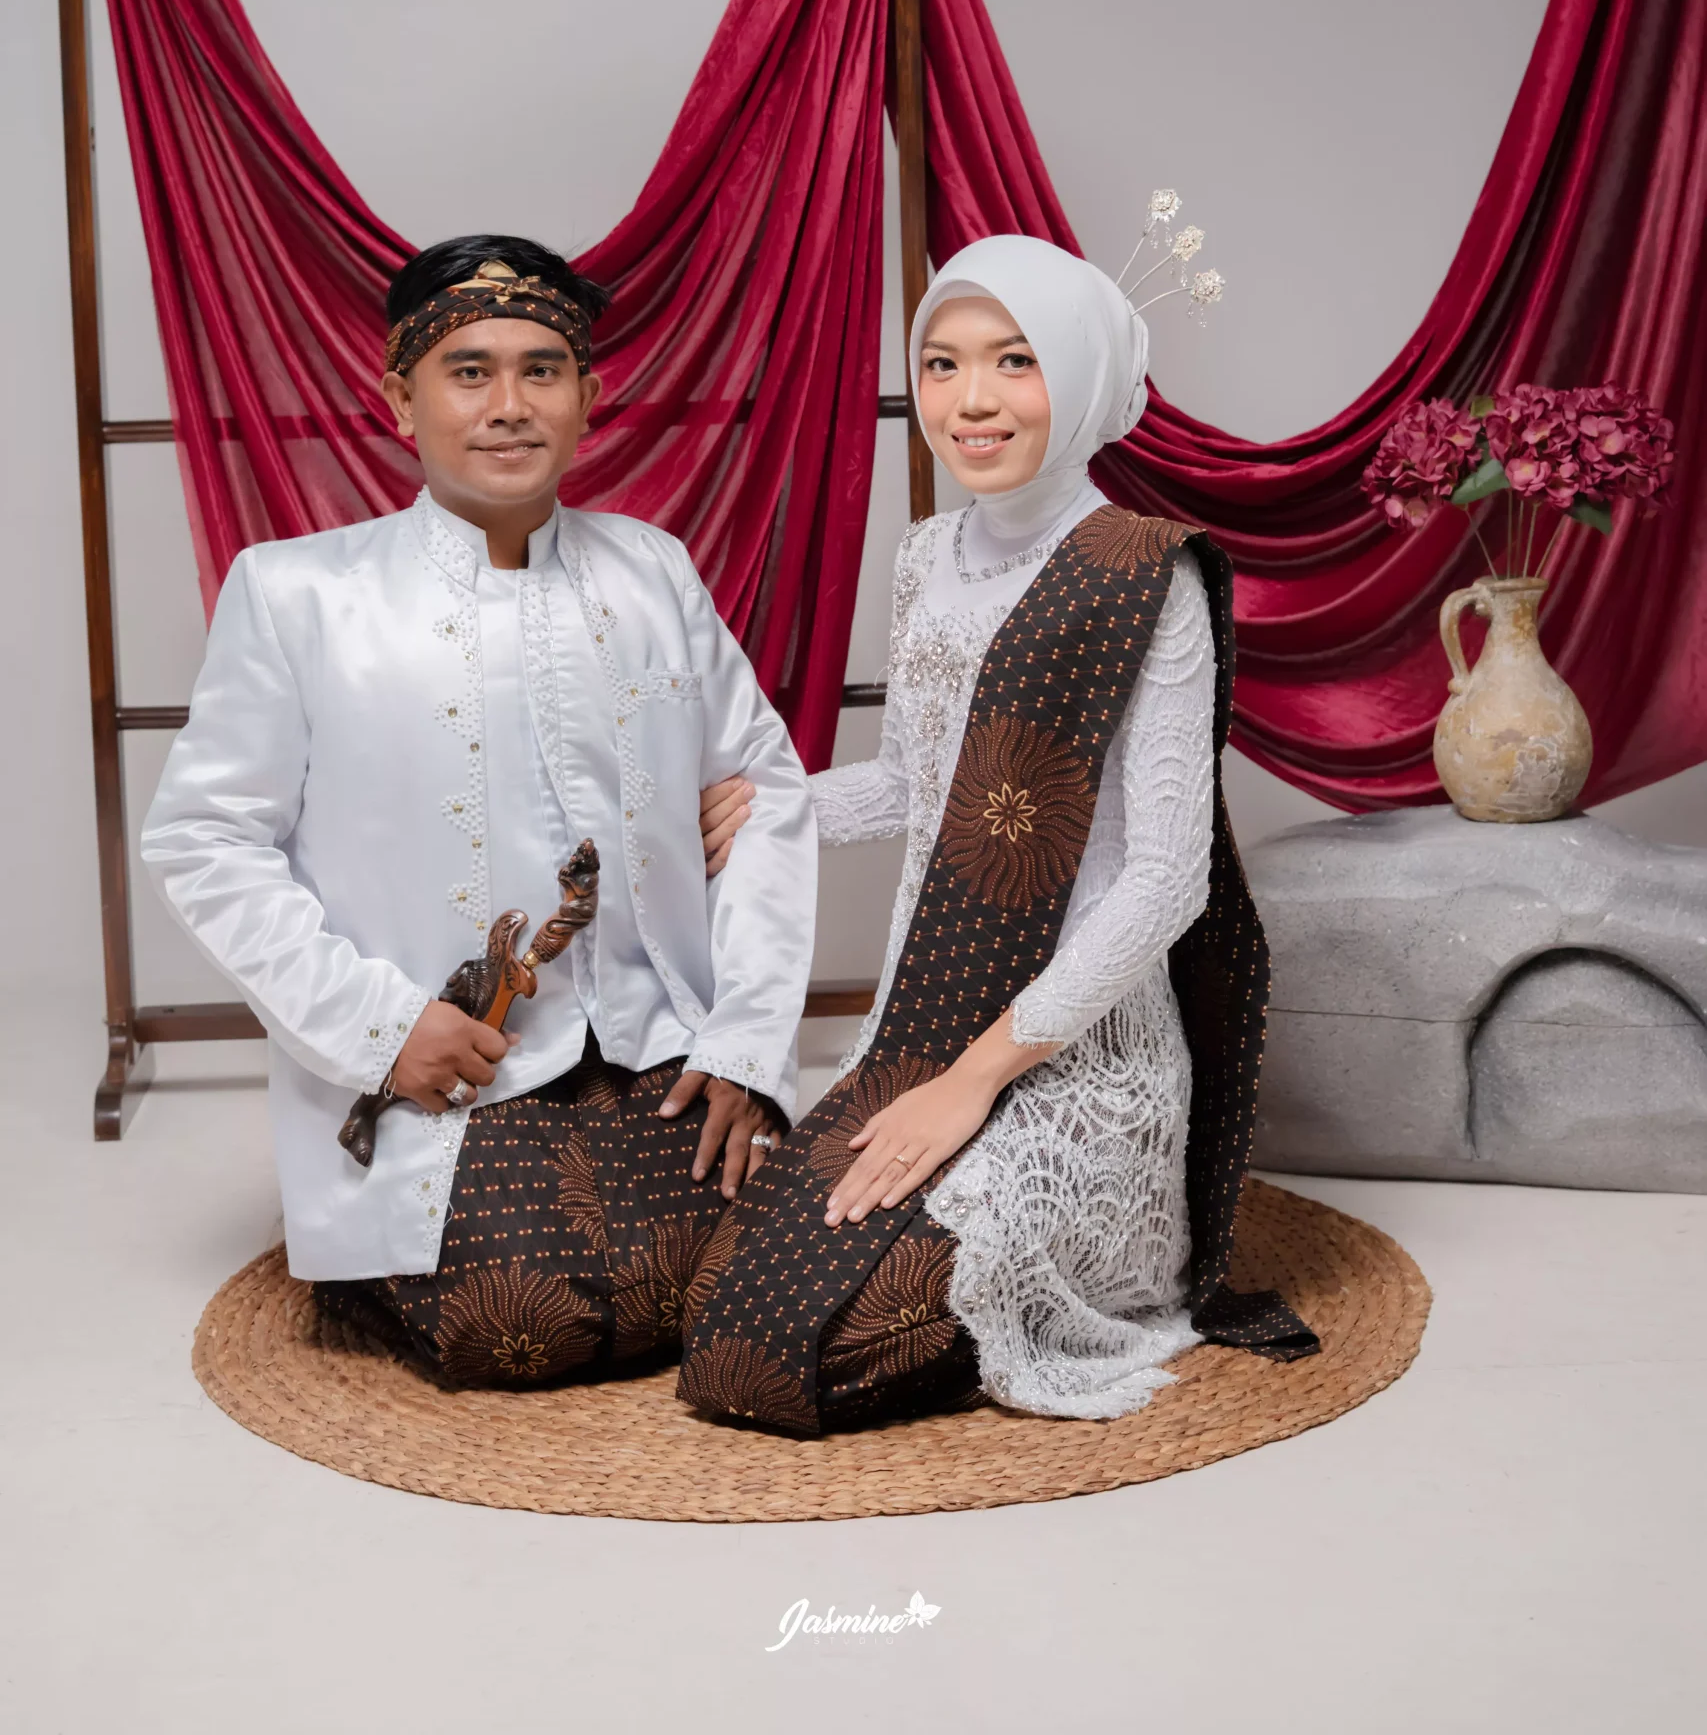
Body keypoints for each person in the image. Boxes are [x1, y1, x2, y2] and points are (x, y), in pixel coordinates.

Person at [142, 235, 816, 1389]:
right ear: (400, 399)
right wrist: (381, 1025)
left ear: (588, 397)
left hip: (656, 1037)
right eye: (469, 371)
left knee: (806, 1268)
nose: (509, 405)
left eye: (541, 369)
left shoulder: (651, 571)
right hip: (455, 1060)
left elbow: (766, 796)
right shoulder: (299, 594)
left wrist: (746, 1042)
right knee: (527, 1322)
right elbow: (204, 840)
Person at [677, 233, 1314, 1436]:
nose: (971, 400)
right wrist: (777, 807)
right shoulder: (926, 555)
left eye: (1014, 360)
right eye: (943, 362)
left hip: (1084, 1058)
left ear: (1079, 372)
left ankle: (1110, 1251)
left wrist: (970, 1087)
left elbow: (1166, 880)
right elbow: (913, 786)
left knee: (849, 1340)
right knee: (727, 1311)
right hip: (923, 1025)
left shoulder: (1147, 575)